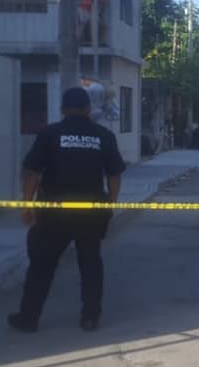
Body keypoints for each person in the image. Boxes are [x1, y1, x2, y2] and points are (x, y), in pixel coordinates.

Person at [8, 87, 126, 333]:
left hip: (53, 213)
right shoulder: (103, 135)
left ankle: (29, 318)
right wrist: (109, 205)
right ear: (87, 109)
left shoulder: (50, 134)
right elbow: (114, 176)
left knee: (41, 266)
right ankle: (90, 317)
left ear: (63, 109)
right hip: (91, 213)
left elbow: (32, 173)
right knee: (91, 264)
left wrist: (28, 205)